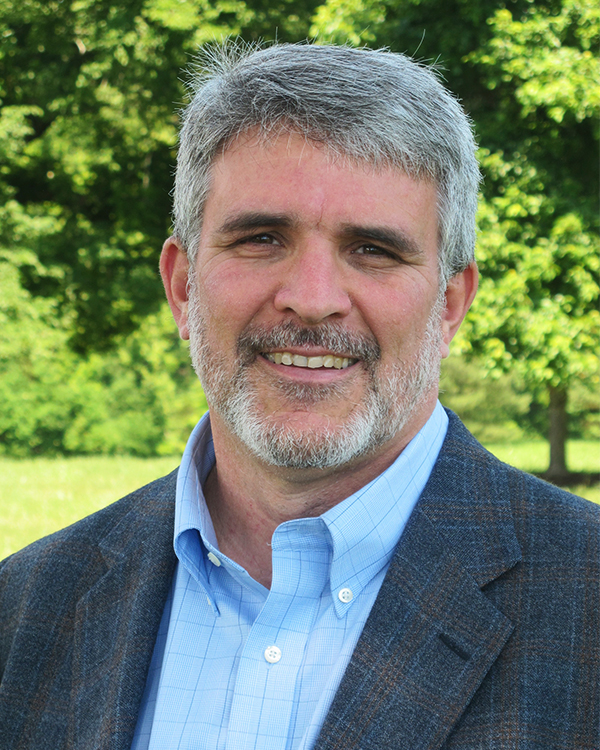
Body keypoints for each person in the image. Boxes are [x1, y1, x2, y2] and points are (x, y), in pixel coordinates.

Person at [0, 42, 598, 750]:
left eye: (373, 249)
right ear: (183, 287)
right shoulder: (24, 605)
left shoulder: (585, 600)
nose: (313, 300)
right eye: (261, 238)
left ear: (449, 304)